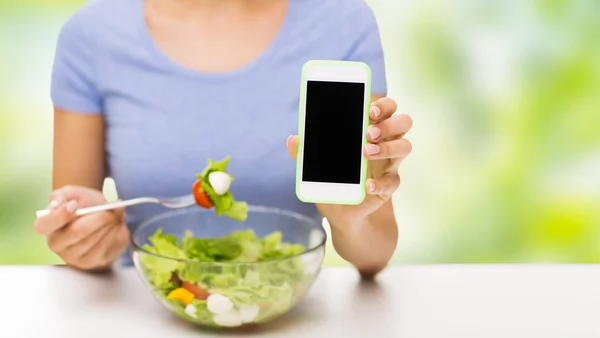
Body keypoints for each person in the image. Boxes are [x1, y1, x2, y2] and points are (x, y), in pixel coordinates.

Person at [33, 0, 413, 278]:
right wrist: (90, 239)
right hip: (145, 310)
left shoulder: (343, 23)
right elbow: (74, 229)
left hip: (290, 312)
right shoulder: (92, 34)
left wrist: (350, 221)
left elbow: (374, 254)